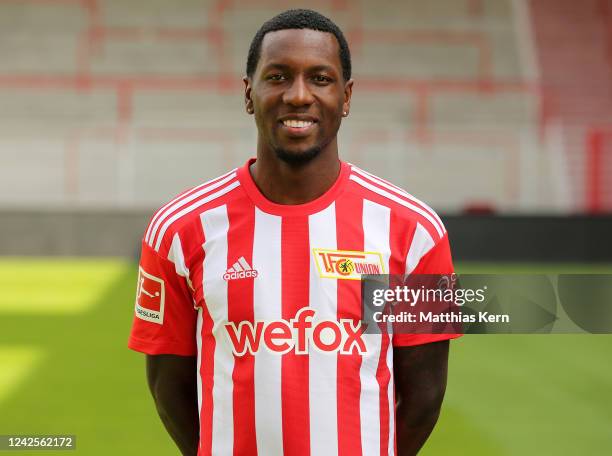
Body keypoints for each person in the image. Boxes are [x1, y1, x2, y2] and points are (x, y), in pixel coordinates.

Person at [129, 9, 460, 456]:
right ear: (249, 94)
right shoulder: (179, 229)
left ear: (346, 96)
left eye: (320, 79)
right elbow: (168, 390)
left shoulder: (415, 232)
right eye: (278, 77)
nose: (298, 96)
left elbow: (425, 395)